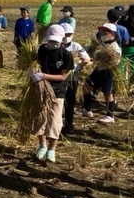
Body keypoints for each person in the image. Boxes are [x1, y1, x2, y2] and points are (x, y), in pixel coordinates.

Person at [28, 24, 73, 163]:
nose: (53, 43)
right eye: (51, 40)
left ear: (61, 40)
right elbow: (33, 64)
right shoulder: (41, 50)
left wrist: (44, 76)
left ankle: (52, 149)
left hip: (57, 91)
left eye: (56, 41)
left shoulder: (66, 55)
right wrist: (32, 73)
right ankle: (42, 145)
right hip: (40, 89)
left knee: (54, 121)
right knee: (39, 118)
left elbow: (62, 77)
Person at [81, 23, 122, 124]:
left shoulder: (115, 47)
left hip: (108, 72)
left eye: (105, 31)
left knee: (107, 93)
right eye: (101, 31)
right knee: (86, 86)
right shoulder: (103, 43)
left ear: (111, 33)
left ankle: (109, 116)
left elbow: (115, 61)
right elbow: (95, 55)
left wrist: (105, 57)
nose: (102, 33)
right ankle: (87, 110)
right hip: (98, 69)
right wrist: (97, 55)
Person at [60, 23, 90, 134]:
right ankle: (57, 124)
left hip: (72, 79)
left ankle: (68, 125)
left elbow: (86, 59)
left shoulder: (76, 46)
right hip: (58, 78)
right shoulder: (55, 45)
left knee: (69, 103)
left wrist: (78, 67)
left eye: (69, 34)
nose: (67, 37)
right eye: (65, 34)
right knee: (58, 102)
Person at [117, 5, 134, 72]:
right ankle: (132, 81)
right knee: (133, 67)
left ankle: (119, 80)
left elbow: (118, 25)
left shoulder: (126, 23)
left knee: (121, 65)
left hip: (127, 47)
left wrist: (124, 16)